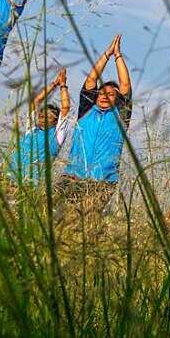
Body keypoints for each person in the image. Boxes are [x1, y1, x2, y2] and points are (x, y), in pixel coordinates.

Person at [57, 35, 132, 216]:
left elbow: (125, 85)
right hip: (72, 175)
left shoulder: (121, 117)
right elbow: (91, 80)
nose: (104, 96)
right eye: (101, 93)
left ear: (118, 100)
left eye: (111, 95)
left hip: (103, 180)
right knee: (54, 216)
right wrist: (107, 54)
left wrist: (118, 56)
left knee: (87, 220)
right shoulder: (86, 111)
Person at [8, 69, 73, 185]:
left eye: (48, 117)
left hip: (33, 183)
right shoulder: (32, 129)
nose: (43, 119)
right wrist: (54, 84)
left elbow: (66, 108)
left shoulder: (57, 135)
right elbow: (36, 101)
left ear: (56, 120)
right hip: (10, 177)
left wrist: (63, 85)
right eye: (41, 116)